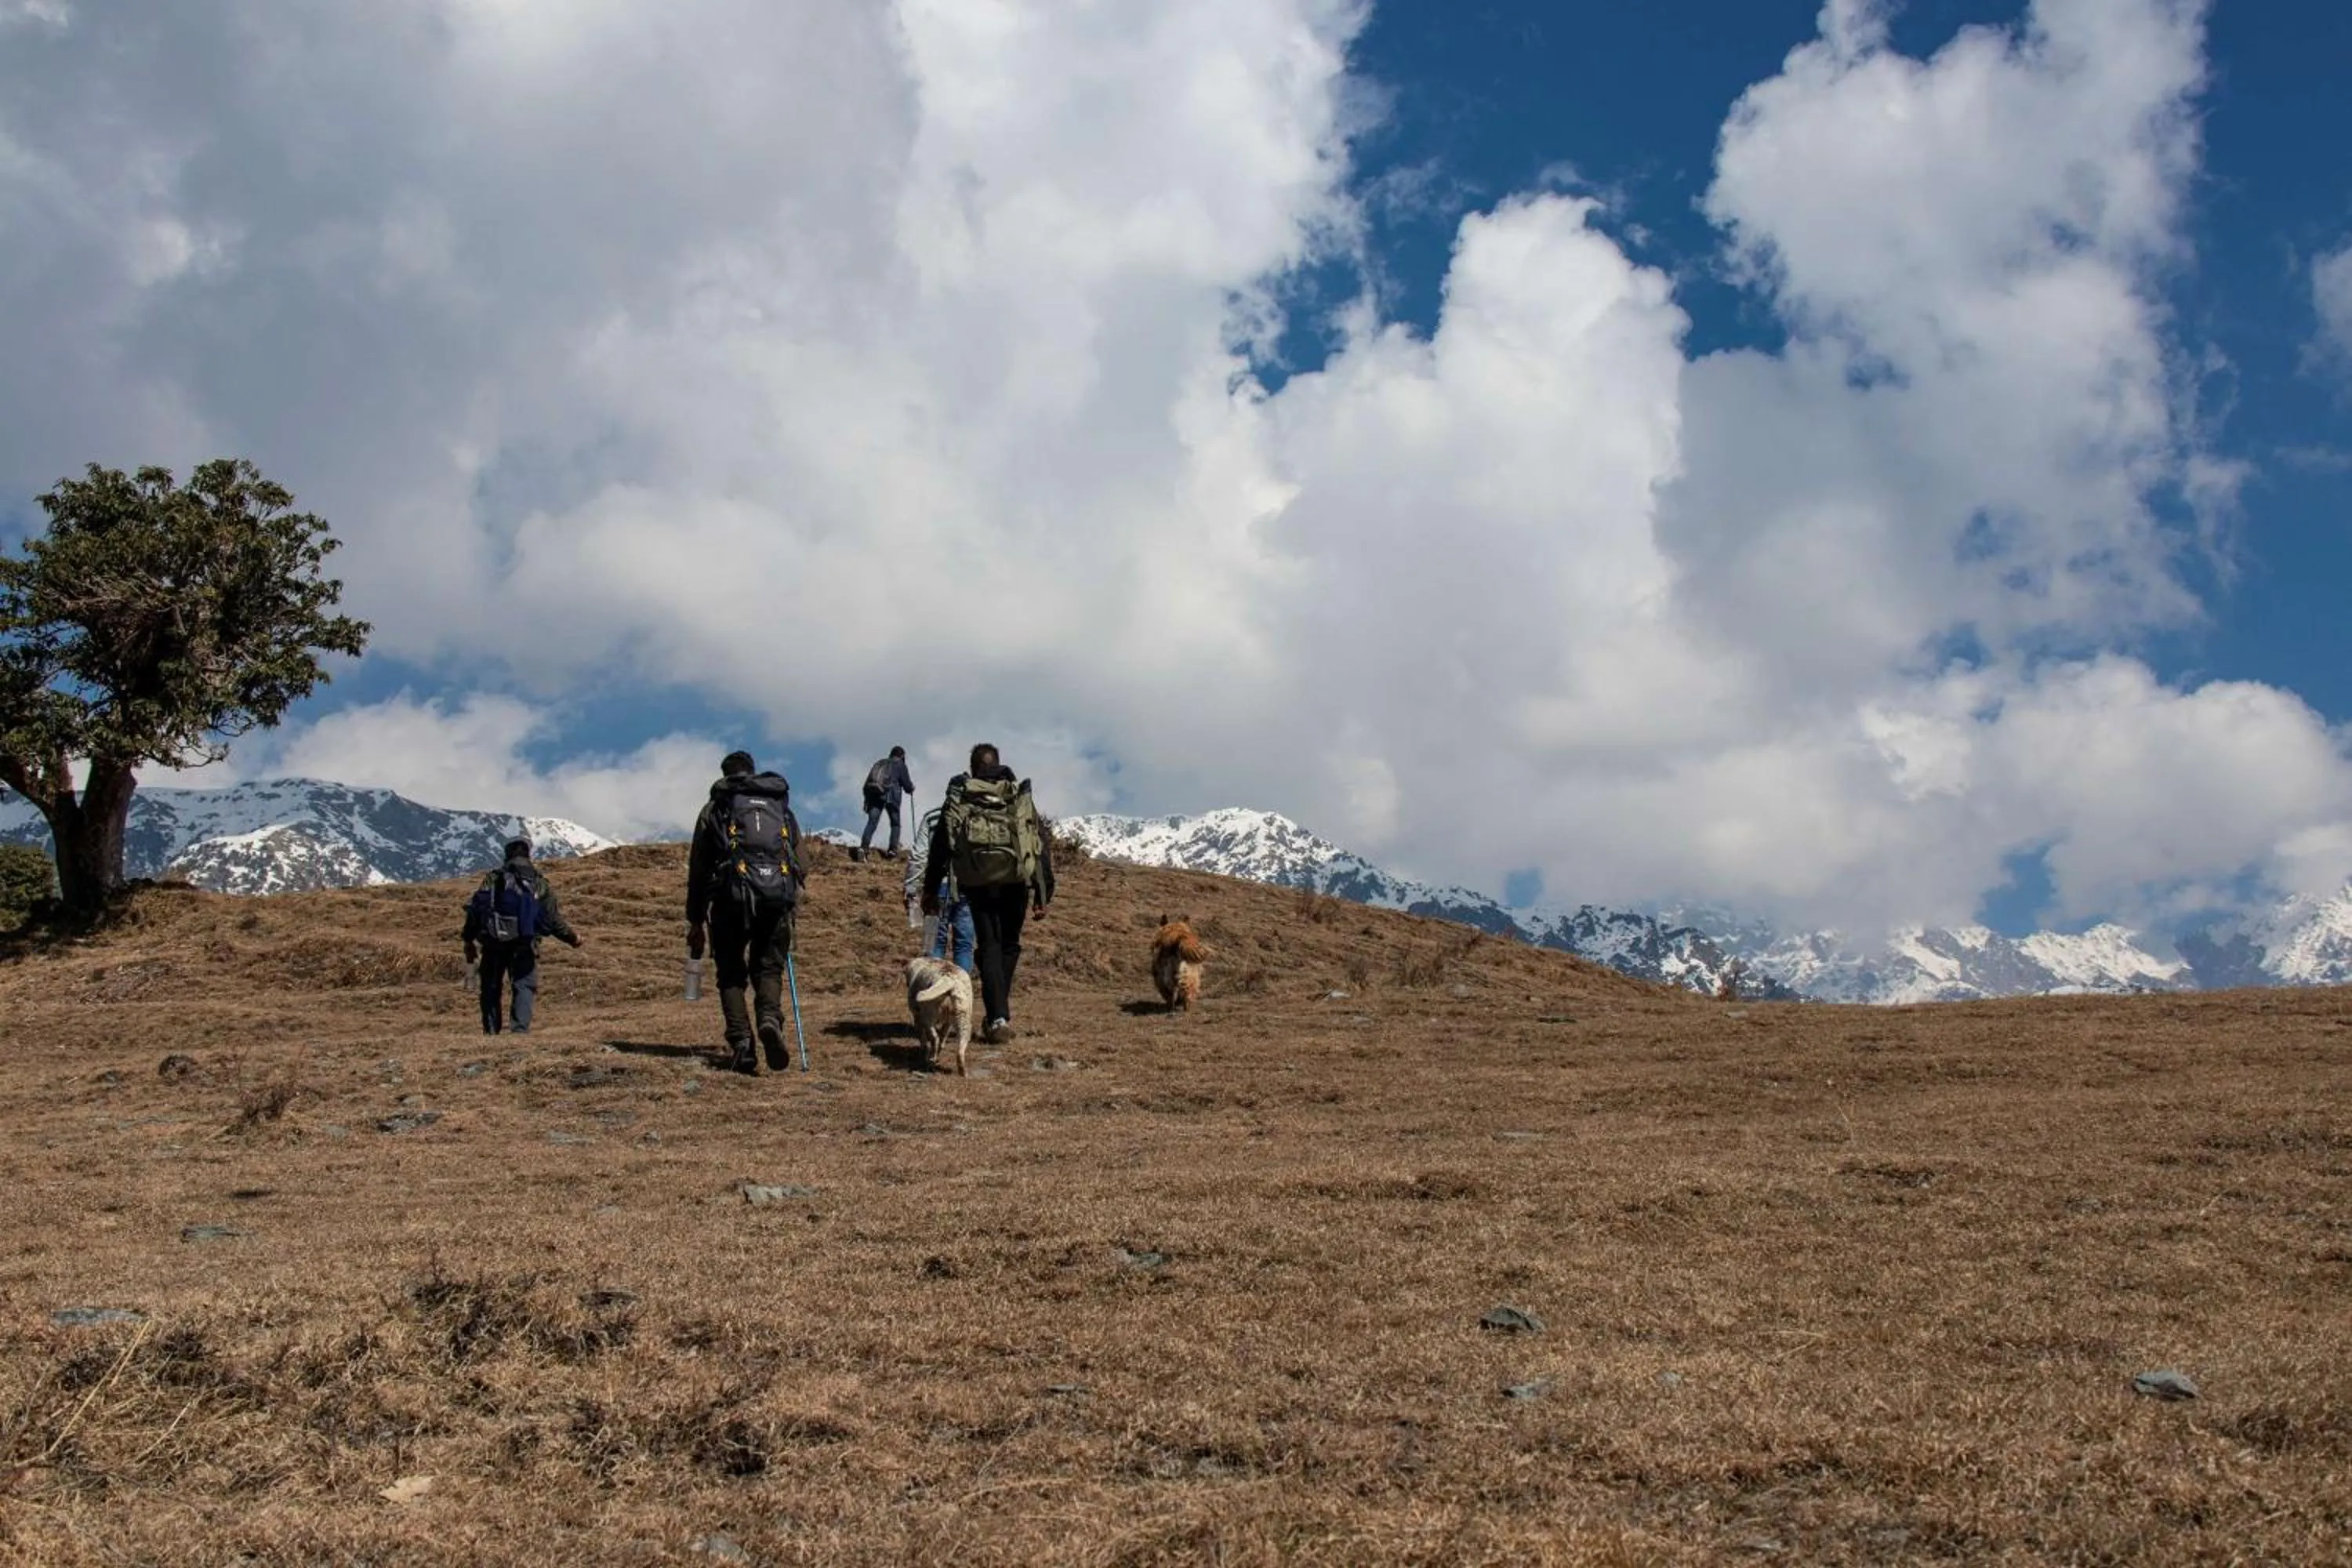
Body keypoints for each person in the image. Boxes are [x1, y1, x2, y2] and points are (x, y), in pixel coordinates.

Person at [921, 743, 1053, 1044]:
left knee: (990, 947)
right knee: (1008, 946)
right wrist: (1043, 893)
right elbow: (1038, 843)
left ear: (972, 766)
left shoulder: (963, 795)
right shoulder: (1016, 795)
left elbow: (942, 842)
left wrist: (931, 888)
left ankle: (997, 1016)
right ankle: (998, 1016)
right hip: (1016, 883)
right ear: (999, 763)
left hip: (978, 883)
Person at [687, 750, 804, 1074]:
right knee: (768, 970)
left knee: (730, 974)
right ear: (751, 772)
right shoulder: (779, 806)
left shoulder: (717, 807)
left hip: (729, 901)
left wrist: (695, 918)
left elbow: (698, 867)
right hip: (775, 899)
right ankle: (769, 1018)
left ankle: (742, 1044)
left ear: (726, 775)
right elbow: (800, 860)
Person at [462, 836, 583, 1035]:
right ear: (528, 854)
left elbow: (476, 909)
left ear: (506, 854)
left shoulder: (494, 878)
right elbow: (552, 919)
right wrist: (572, 938)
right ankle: (519, 1032)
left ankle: (491, 1032)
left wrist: (468, 939)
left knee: (491, 987)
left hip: (493, 942)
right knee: (524, 986)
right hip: (525, 942)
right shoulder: (538, 882)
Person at [906, 807, 975, 971]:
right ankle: (961, 992)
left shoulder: (932, 817)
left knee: (934, 942)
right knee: (964, 945)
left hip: (936, 888)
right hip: (969, 887)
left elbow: (919, 856)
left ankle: (932, 988)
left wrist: (912, 888)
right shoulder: (975, 815)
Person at [855, 746, 916, 862]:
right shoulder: (901, 765)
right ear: (902, 756)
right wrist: (912, 788)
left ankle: (863, 848)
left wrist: (867, 800)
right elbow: (907, 786)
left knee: (872, 822)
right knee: (895, 824)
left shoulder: (881, 763)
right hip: (892, 797)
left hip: (876, 795)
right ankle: (892, 851)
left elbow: (869, 782)